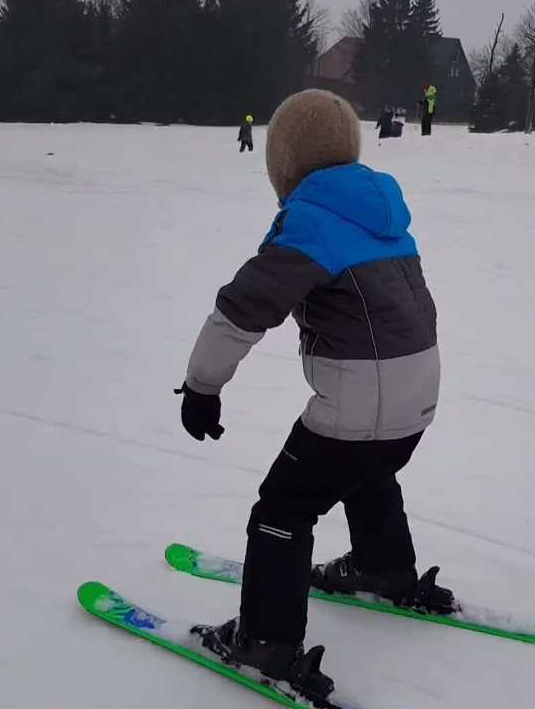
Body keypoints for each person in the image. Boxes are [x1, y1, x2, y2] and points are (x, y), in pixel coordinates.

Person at [174, 88, 453, 702]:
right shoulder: (383, 214)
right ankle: (383, 569)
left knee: (283, 509)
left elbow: (242, 310)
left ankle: (265, 642)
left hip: (362, 402)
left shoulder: (311, 224)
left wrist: (202, 387)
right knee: (369, 469)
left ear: (284, 162)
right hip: (418, 397)